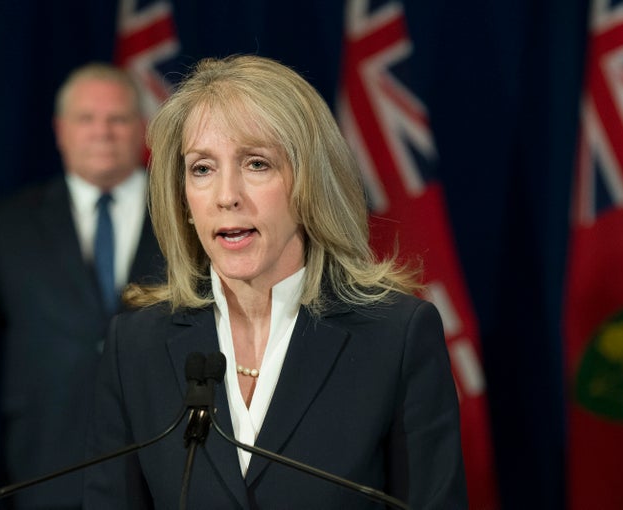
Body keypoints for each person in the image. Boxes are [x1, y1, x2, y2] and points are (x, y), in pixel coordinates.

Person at [83, 54, 468, 509]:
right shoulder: (135, 346)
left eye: (257, 164)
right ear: (183, 199)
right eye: (202, 168)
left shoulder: (395, 338)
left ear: (309, 184)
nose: (227, 196)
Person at [0, 63, 165, 509]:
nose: (102, 132)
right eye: (86, 119)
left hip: (162, 470)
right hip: (41, 467)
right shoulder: (5, 226)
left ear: (142, 128)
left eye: (118, 118)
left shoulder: (185, 217)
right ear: (60, 130)